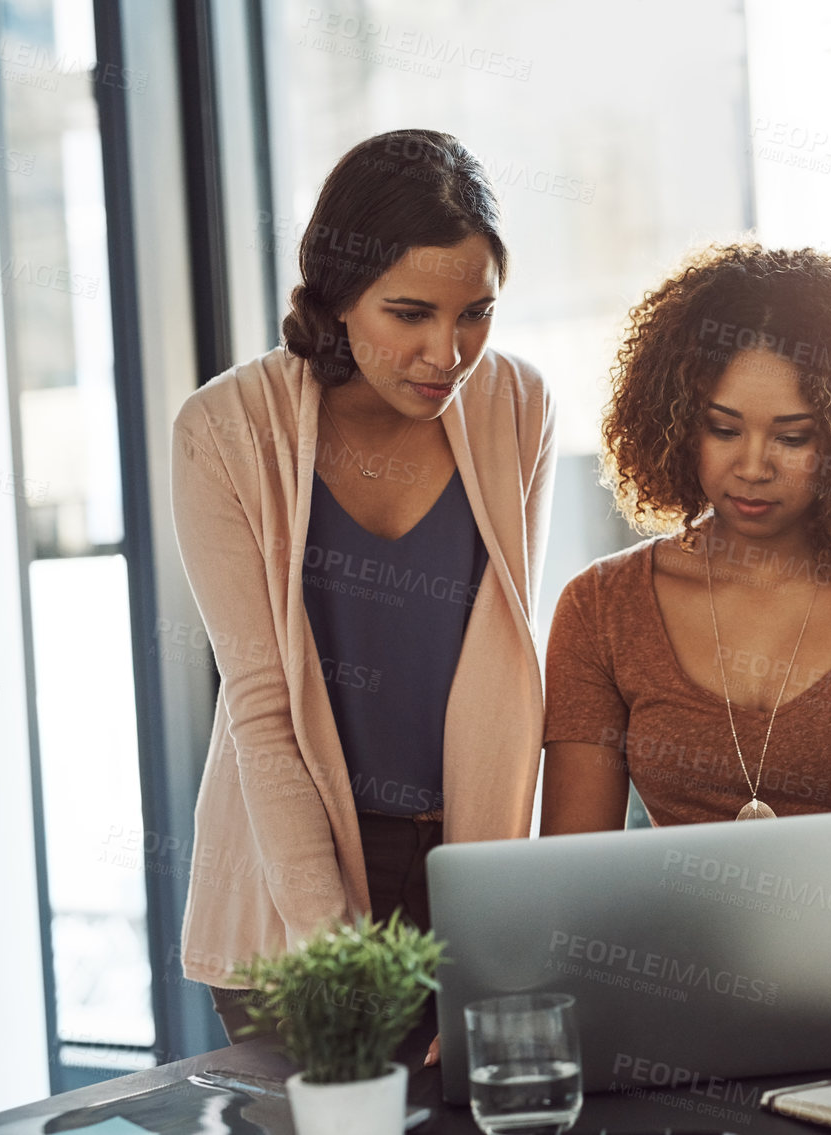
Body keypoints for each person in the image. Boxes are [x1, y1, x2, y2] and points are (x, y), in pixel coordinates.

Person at [171, 129, 554, 1043]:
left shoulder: (518, 404)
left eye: (476, 313)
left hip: (466, 859)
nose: (446, 353)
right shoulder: (224, 428)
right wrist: (338, 954)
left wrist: (499, 905)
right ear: (340, 295)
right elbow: (262, 706)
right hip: (289, 877)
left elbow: (505, 660)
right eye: (410, 313)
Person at [541, 244, 831, 949]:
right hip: (684, 987)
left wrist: (773, 944)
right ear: (673, 421)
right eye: (722, 429)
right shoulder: (600, 608)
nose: (752, 466)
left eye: (793, 437)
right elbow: (573, 875)